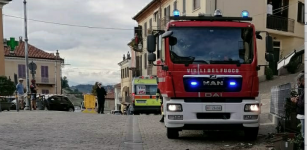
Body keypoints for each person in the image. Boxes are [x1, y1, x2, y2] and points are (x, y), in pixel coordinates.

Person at [291, 73, 304, 139]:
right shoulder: (303, 89)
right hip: (302, 115)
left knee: (304, 134)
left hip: (304, 115)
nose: (298, 84)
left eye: (299, 81)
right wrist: (299, 98)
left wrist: (295, 101)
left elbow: (302, 104)